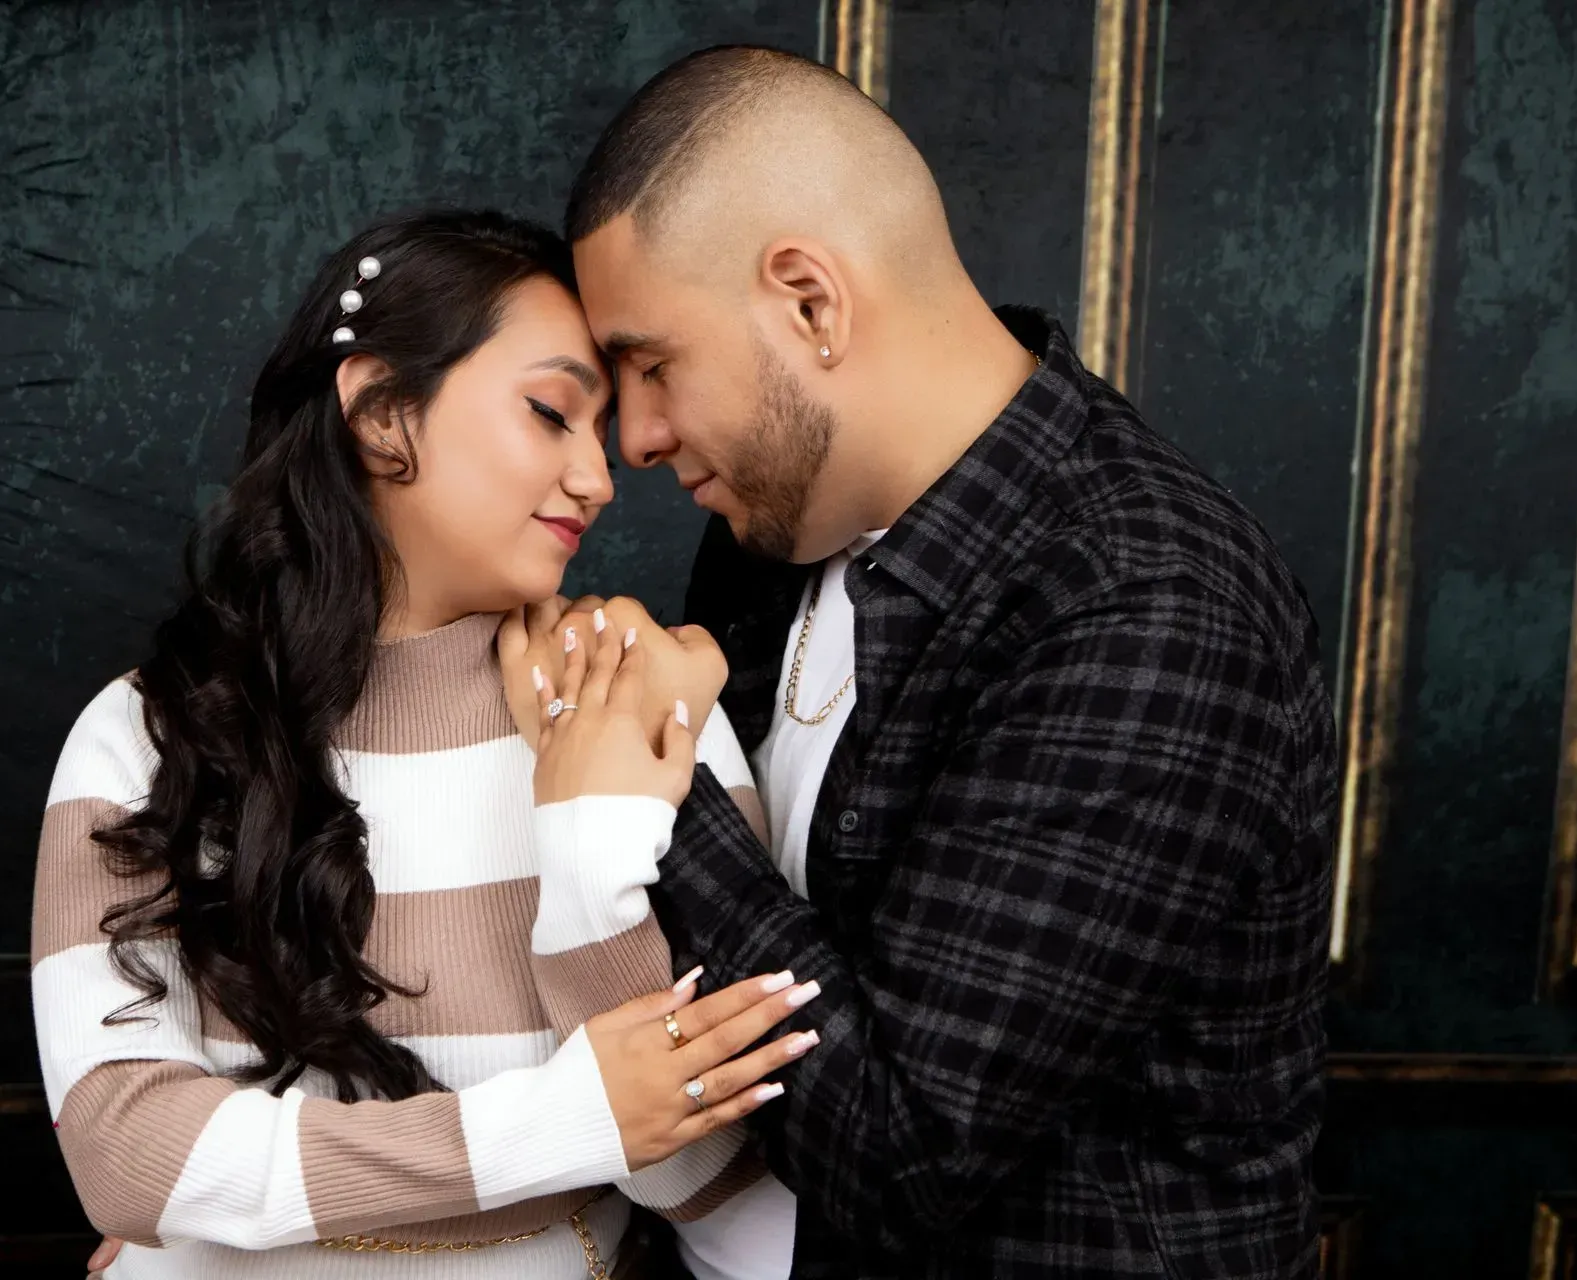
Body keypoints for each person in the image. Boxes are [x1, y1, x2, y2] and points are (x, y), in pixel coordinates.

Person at [522, 45, 1337, 1279]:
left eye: (652, 364)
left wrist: (640, 778)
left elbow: (899, 1152)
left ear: (810, 300)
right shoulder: (760, 541)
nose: (633, 438)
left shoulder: (1146, 599)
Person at [33, 209, 815, 1279]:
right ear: (384, 411)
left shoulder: (638, 702)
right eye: (552, 412)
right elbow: (131, 1156)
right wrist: (557, 1123)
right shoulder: (147, 733)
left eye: (604, 431)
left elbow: (717, 1174)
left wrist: (589, 848)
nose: (599, 475)